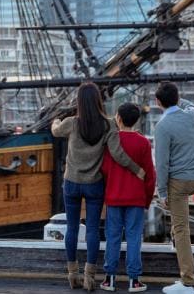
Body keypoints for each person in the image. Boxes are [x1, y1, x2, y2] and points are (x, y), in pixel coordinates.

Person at [52, 82, 146, 291]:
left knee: (72, 228)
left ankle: (72, 274)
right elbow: (117, 154)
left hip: (72, 183)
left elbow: (56, 131)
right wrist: (137, 169)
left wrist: (55, 121)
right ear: (98, 101)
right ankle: (89, 277)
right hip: (94, 185)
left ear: (79, 102)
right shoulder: (108, 125)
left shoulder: (72, 123)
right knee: (93, 230)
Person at [153, 82, 194, 294]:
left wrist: (162, 193)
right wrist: (176, 97)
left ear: (158, 103)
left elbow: (162, 163)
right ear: (178, 98)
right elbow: (189, 104)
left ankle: (187, 282)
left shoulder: (162, 126)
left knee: (182, 229)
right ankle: (176, 244)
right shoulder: (192, 114)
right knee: (180, 224)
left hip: (180, 182)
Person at [99, 102, 155, 293]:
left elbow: (104, 169)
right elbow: (150, 175)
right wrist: (146, 200)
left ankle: (109, 279)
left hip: (114, 197)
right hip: (136, 199)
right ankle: (134, 281)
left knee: (112, 237)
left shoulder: (111, 141)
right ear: (137, 120)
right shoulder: (143, 143)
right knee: (134, 238)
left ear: (118, 119)